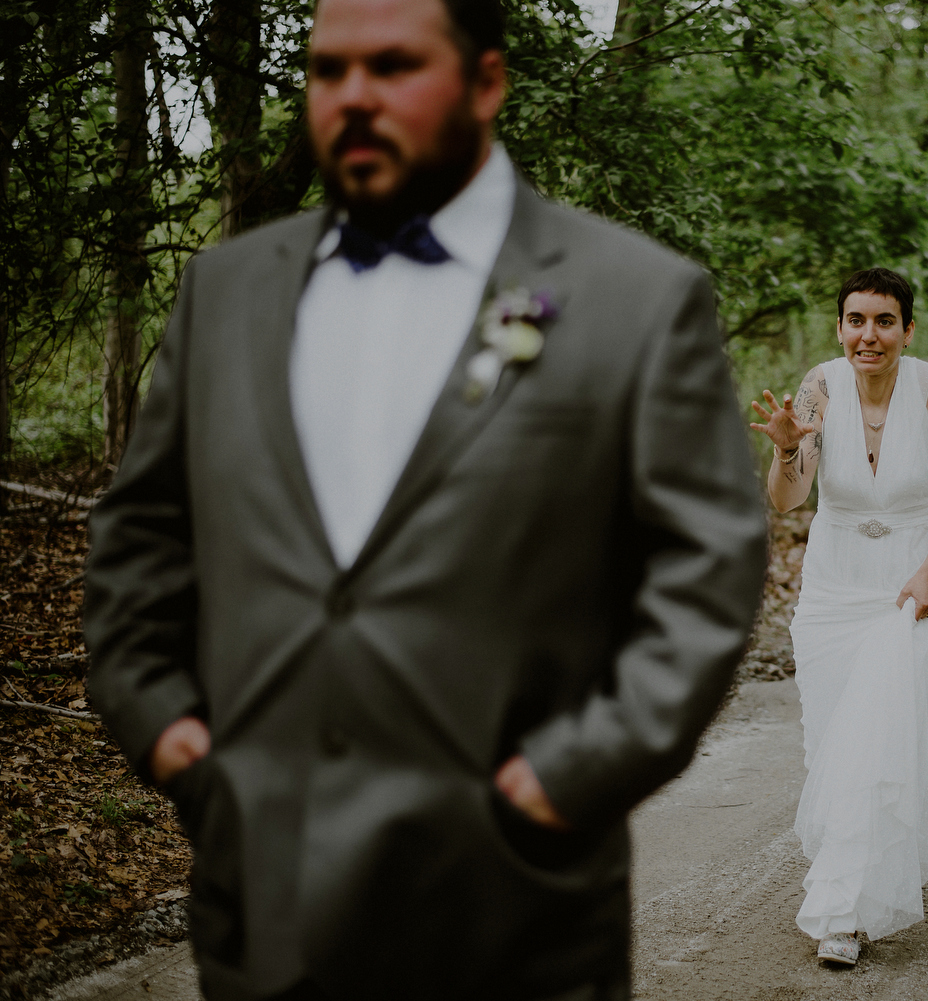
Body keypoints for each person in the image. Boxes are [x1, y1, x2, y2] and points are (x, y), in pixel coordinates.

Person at [81, 0, 767, 996]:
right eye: (328, 71)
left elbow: (707, 573)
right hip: (265, 914)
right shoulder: (224, 292)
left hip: (513, 916)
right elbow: (141, 535)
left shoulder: (637, 298)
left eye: (393, 65)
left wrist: (572, 775)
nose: (353, 96)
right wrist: (166, 728)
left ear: (486, 82)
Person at [748, 267, 928, 966]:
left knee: (882, 738)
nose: (867, 335)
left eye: (883, 321)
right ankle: (862, 861)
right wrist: (787, 445)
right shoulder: (820, 388)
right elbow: (788, 500)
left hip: (912, 582)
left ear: (908, 328)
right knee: (835, 741)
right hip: (834, 582)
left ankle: (842, 913)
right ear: (839, 326)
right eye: (856, 320)